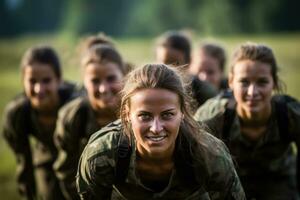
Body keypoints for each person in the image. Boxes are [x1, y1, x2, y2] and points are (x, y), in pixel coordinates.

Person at [76, 63, 245, 199]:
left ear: (182, 113)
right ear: (127, 115)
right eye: (144, 116)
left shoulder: (209, 154)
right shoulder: (101, 155)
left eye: (167, 115)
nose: (156, 128)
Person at [194, 42, 300, 199]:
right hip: (229, 185)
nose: (252, 92)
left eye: (262, 82)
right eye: (244, 82)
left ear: (274, 82)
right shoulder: (213, 115)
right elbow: (189, 158)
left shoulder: (289, 114)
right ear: (231, 82)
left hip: (279, 183)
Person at [2, 45, 77, 200]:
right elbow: (24, 165)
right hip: (45, 159)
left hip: (78, 160)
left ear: (59, 80)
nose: (39, 89)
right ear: (23, 82)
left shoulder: (76, 105)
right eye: (32, 81)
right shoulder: (18, 114)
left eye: (46, 81)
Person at [53, 44, 126, 200]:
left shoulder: (137, 113)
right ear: (84, 83)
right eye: (95, 81)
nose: (103, 88)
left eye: (111, 78)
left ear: (124, 76)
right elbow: (67, 170)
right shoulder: (73, 116)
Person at [155, 31, 217, 108]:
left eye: (175, 63)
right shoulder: (150, 90)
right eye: (164, 63)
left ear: (189, 61)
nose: (169, 69)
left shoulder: (204, 93)